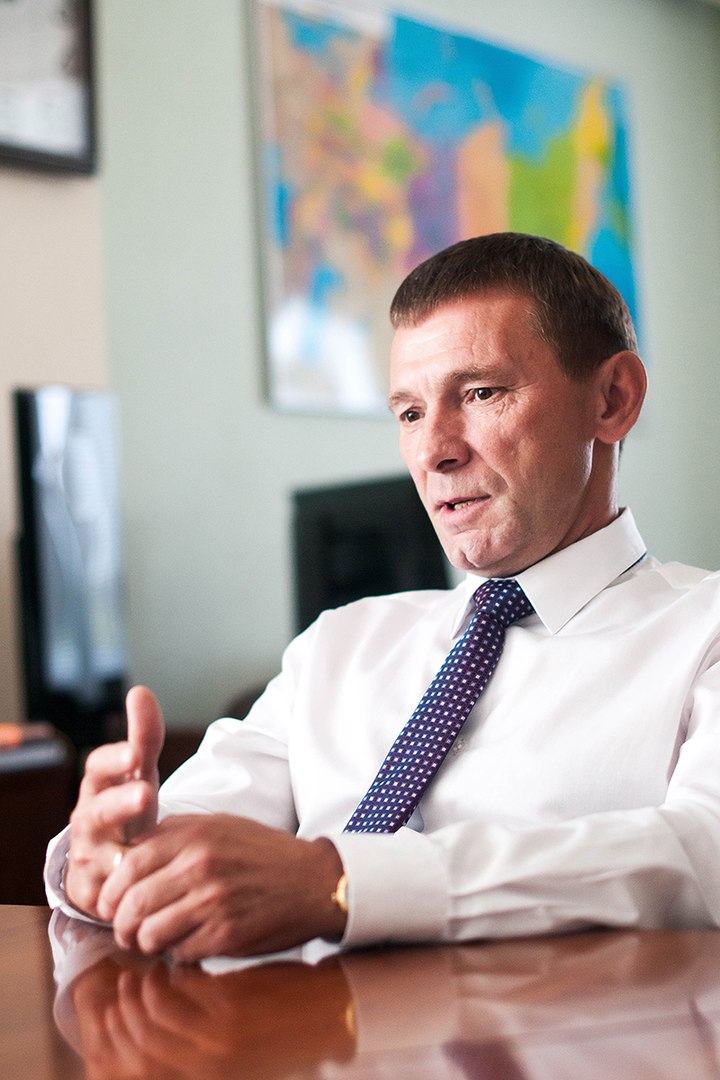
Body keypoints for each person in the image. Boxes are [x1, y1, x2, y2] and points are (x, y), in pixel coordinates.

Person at [46, 232, 720, 963]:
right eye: (409, 413)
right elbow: (186, 826)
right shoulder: (340, 644)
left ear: (613, 399)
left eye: (482, 393)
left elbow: (701, 852)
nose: (434, 451)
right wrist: (114, 863)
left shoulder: (704, 632)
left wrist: (342, 884)